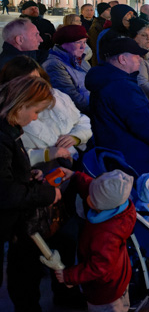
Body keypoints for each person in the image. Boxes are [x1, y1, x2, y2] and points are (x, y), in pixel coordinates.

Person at [0, 75, 65, 311]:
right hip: (10, 220)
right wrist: (47, 194)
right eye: (36, 111)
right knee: (22, 273)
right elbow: (5, 192)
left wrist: (27, 175)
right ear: (20, 105)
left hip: (12, 221)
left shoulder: (9, 129)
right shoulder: (3, 136)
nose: (36, 118)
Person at [85, 37, 149, 175]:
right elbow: (142, 124)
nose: (140, 59)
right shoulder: (122, 86)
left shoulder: (106, 80)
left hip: (115, 156)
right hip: (132, 161)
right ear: (122, 59)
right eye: (136, 56)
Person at [55, 169, 136, 312]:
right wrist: (75, 176)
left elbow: (99, 267)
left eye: (92, 199)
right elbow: (92, 188)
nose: (88, 198)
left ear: (102, 205)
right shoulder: (119, 207)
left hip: (105, 291)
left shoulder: (107, 235)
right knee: (122, 303)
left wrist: (70, 276)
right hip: (119, 275)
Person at [0, 57, 92, 167]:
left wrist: (76, 137)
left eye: (37, 80)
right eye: (28, 82)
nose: (35, 86)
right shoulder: (9, 116)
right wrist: (46, 154)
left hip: (78, 159)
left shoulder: (57, 96)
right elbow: (13, 157)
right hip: (46, 171)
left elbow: (81, 120)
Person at [43, 25, 91, 114]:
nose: (83, 47)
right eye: (78, 42)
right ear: (64, 43)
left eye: (84, 42)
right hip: (80, 114)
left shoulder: (79, 59)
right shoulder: (54, 64)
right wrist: (98, 108)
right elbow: (71, 97)